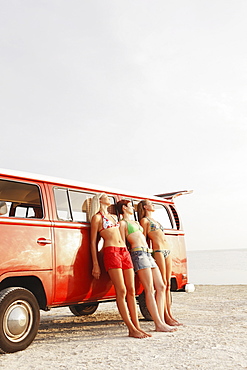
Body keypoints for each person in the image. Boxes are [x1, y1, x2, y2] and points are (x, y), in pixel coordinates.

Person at [89, 193, 150, 339]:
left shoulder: (114, 217)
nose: (108, 198)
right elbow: (93, 242)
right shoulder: (97, 218)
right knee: (121, 290)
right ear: (99, 200)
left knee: (131, 290)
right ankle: (130, 328)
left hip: (124, 251)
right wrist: (95, 264)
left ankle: (137, 327)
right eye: (105, 197)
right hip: (111, 252)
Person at [117, 199, 177, 332]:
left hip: (148, 254)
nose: (132, 208)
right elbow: (123, 244)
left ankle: (161, 321)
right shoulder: (123, 223)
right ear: (124, 209)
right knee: (149, 289)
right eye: (129, 206)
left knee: (161, 286)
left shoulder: (136, 223)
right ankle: (158, 323)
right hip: (138, 254)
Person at [137, 199, 182, 326]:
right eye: (150, 204)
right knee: (161, 284)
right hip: (158, 251)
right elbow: (144, 239)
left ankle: (169, 314)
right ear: (145, 207)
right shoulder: (145, 221)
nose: (153, 205)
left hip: (167, 250)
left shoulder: (156, 221)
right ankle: (165, 316)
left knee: (167, 284)